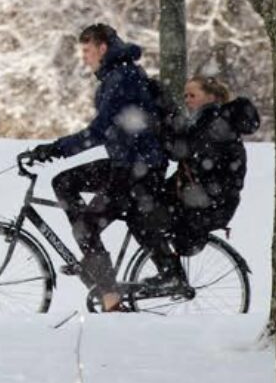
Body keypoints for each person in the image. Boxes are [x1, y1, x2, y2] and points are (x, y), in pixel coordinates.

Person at [22, 23, 178, 311]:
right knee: (65, 183)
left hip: (138, 169)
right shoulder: (118, 75)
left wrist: (55, 149)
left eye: (87, 50)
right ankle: (95, 260)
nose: (84, 57)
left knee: (86, 226)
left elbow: (99, 131)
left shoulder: (122, 78)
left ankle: (109, 296)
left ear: (103, 48)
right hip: (129, 164)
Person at [165, 75, 261, 256]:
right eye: (185, 96)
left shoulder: (213, 124)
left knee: (148, 216)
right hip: (208, 198)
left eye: (192, 96)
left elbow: (187, 153)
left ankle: (169, 274)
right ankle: (168, 272)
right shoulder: (205, 122)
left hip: (209, 202)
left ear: (211, 97)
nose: (187, 100)